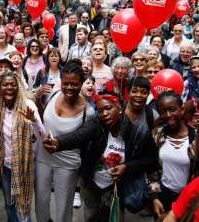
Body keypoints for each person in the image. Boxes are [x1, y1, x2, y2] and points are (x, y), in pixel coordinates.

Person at [43, 93, 158, 221]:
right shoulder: (98, 125)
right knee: (90, 216)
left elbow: (152, 160)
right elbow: (79, 135)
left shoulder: (139, 133)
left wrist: (127, 167)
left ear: (119, 107)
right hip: (93, 184)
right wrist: (58, 143)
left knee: (112, 218)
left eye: (108, 108)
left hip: (116, 189)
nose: (104, 114)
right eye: (100, 110)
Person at [0, 71, 46, 222]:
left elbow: (42, 136)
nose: (9, 87)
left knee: (23, 205)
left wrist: (33, 121)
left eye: (12, 84)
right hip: (5, 166)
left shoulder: (28, 105)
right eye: (5, 84)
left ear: (18, 87)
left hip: (25, 164)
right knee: (9, 203)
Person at [35, 61, 95, 222]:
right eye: (66, 83)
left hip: (67, 163)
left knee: (63, 206)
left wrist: (59, 144)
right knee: (41, 201)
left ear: (81, 83)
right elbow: (43, 121)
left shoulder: (87, 112)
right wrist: (36, 104)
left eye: (74, 84)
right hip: (43, 157)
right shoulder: (54, 95)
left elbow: (82, 137)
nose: (69, 88)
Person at [148, 91, 198, 219]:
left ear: (182, 109)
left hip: (188, 198)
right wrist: (154, 197)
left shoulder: (195, 138)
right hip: (163, 195)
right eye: (163, 111)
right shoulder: (157, 134)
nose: (168, 115)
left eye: (172, 110)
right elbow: (152, 169)